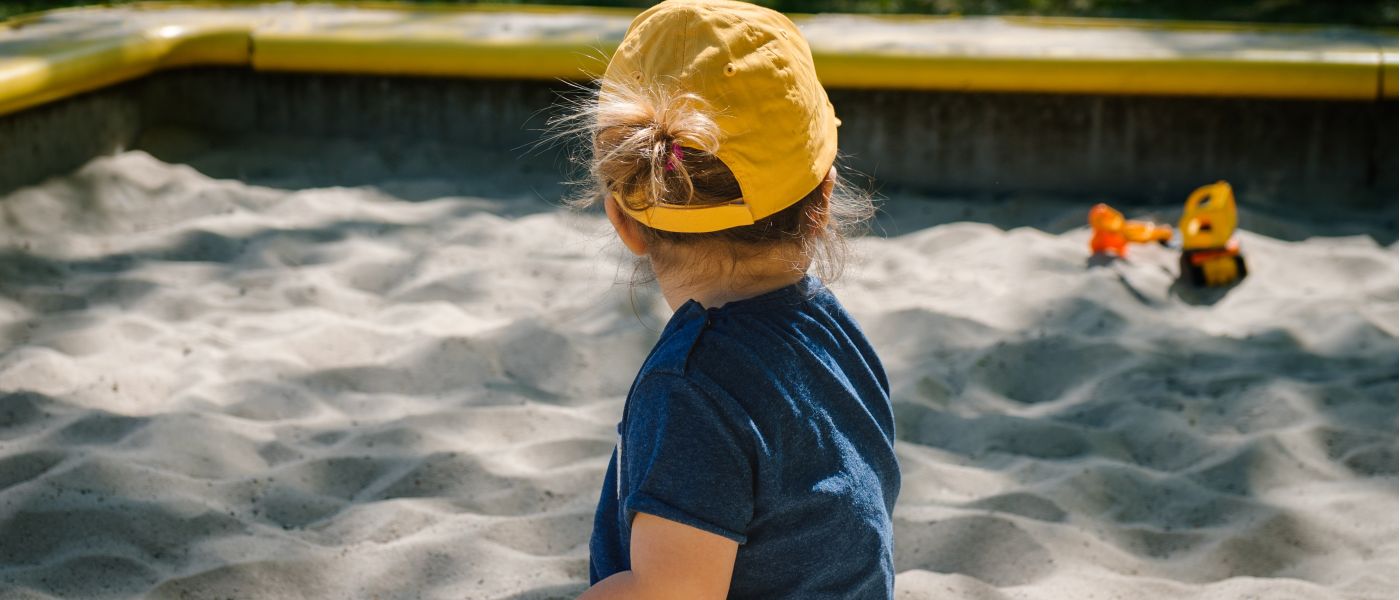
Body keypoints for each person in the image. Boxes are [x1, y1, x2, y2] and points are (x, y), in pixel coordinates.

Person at [563, 0, 900, 597]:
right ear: (822, 199)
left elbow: (670, 593)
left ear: (624, 222)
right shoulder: (835, 333)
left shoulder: (689, 390)